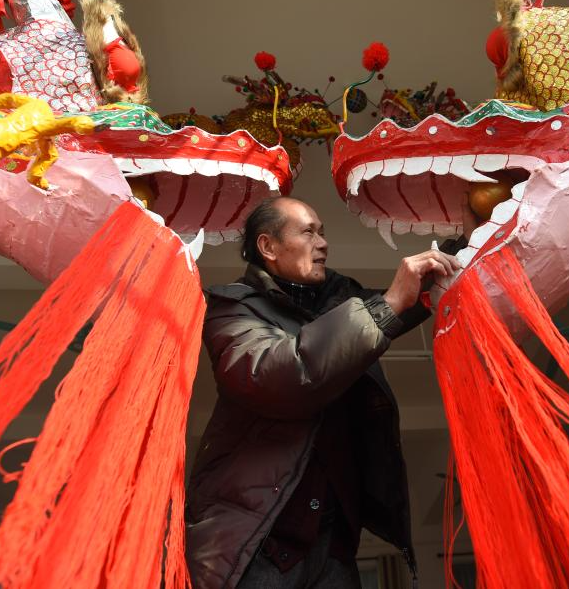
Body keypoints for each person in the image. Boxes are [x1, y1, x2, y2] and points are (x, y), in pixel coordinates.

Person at [186, 196, 462, 589]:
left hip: (333, 546)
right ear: (268, 246)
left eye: (323, 233)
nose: (323, 243)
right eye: (308, 232)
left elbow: (401, 304)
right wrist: (387, 304)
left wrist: (466, 242)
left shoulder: (340, 298)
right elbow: (281, 375)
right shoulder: (231, 309)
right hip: (256, 543)